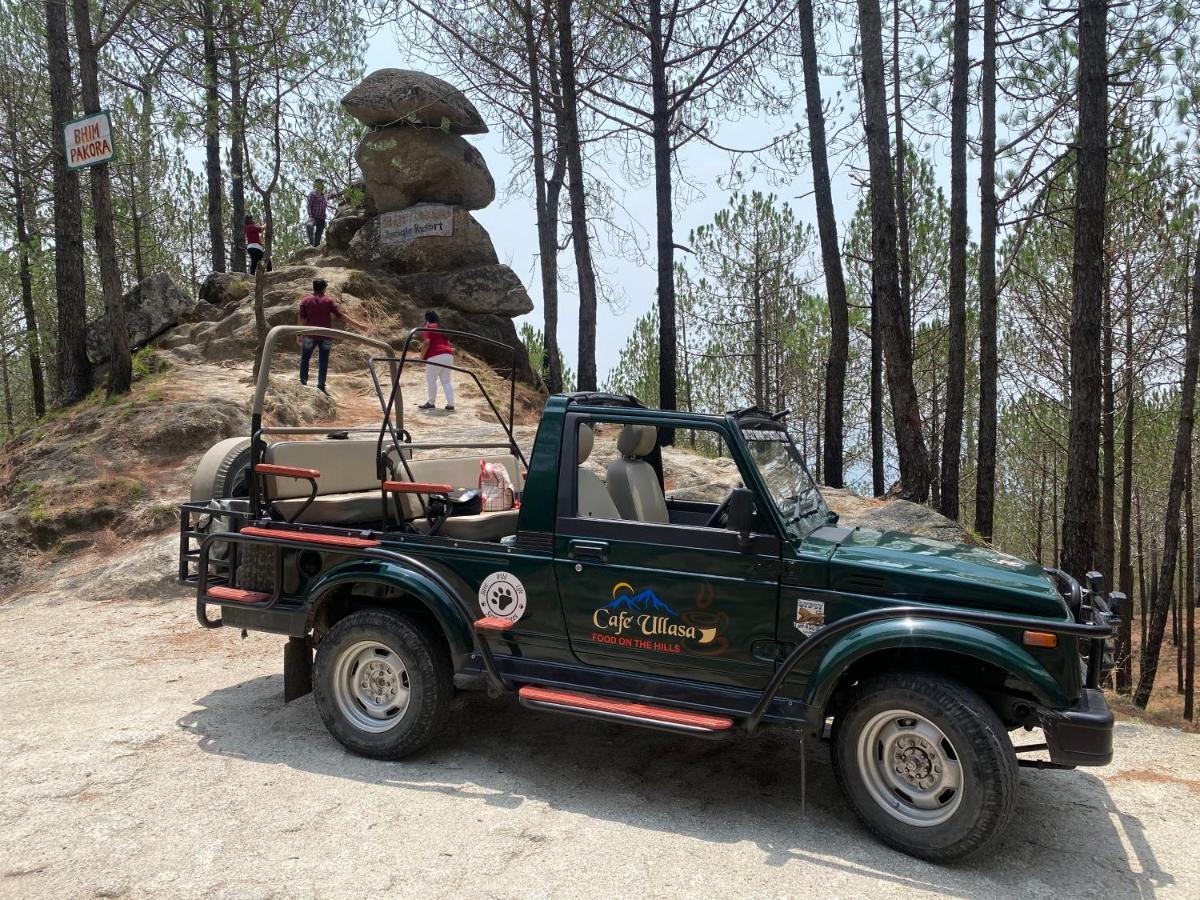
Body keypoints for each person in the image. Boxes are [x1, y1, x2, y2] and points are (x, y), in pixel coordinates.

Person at [297, 278, 365, 394]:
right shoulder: (328, 301)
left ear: (313, 287)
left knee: (305, 359)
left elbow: (301, 319)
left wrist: (299, 334)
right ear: (324, 288)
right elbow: (341, 316)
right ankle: (321, 385)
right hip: (326, 335)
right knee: (323, 361)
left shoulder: (305, 301)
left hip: (309, 334)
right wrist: (359, 326)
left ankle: (303, 382)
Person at [416, 310, 455, 411]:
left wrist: (422, 356)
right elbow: (449, 344)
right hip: (449, 355)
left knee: (431, 380)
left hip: (435, 355)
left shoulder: (428, 327)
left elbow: (427, 342)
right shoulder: (441, 328)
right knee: (446, 381)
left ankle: (431, 403)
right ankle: (450, 405)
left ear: (426, 319)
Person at [305, 179, 329, 247]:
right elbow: (309, 205)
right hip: (314, 217)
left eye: (322, 183)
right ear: (316, 185)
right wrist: (310, 216)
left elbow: (335, 195)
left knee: (318, 236)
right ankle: (311, 243)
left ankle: (316, 247)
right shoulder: (312, 194)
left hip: (322, 218)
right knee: (309, 226)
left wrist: (345, 192)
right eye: (319, 183)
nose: (321, 185)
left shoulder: (325, 196)